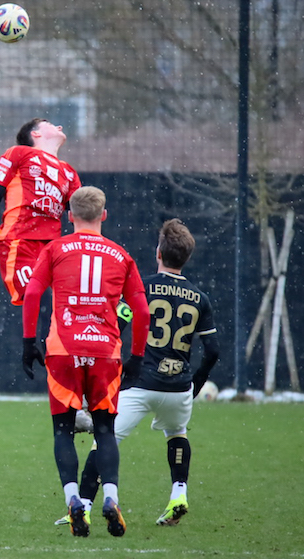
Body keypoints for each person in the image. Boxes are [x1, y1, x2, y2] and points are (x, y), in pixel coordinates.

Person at [67, 218, 220, 527]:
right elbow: (213, 351)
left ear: (158, 253)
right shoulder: (199, 298)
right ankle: (179, 494)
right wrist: (194, 384)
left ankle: (83, 507)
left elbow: (116, 327)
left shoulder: (142, 287)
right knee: (177, 433)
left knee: (105, 439)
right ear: (186, 257)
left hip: (140, 383)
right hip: (178, 387)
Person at [21, 186, 150, 538]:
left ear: (70, 216)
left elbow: (32, 293)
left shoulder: (55, 248)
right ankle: (110, 498)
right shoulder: (121, 255)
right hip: (105, 351)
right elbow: (141, 311)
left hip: (63, 349)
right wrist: (137, 356)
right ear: (103, 215)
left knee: (63, 431)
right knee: (105, 431)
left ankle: (73, 500)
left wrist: (28, 342)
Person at [0, 118, 92, 432]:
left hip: (54, 249)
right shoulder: (19, 153)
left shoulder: (69, 173)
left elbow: (80, 218)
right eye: (49, 122)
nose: (58, 125)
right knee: (39, 306)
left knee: (75, 314)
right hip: (20, 244)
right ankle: (64, 393)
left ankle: (79, 398)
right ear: (35, 133)